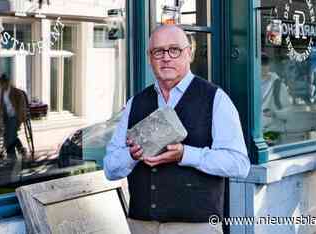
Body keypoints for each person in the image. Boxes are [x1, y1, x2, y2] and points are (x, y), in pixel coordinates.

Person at [104, 25, 250, 234]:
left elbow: (239, 164)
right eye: (158, 51)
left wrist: (186, 154)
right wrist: (132, 155)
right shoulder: (136, 102)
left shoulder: (215, 99)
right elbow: (110, 168)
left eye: (174, 50)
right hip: (142, 225)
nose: (166, 57)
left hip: (195, 226)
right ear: (149, 57)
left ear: (189, 53)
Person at [261, 55, 291, 138]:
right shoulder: (251, 85)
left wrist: (274, 113)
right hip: (256, 133)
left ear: (269, 66)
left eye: (265, 64)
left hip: (273, 131)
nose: (263, 67)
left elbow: (288, 112)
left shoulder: (278, 85)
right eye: (261, 64)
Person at [0, 74, 27, 160]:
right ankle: (21, 149)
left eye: (2, 83)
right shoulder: (2, 92)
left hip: (15, 116)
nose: (1, 85)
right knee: (9, 134)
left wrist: (20, 117)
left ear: (7, 82)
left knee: (10, 135)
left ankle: (11, 155)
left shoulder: (16, 92)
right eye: (0, 83)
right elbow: (1, 106)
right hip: (7, 116)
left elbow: (22, 105)